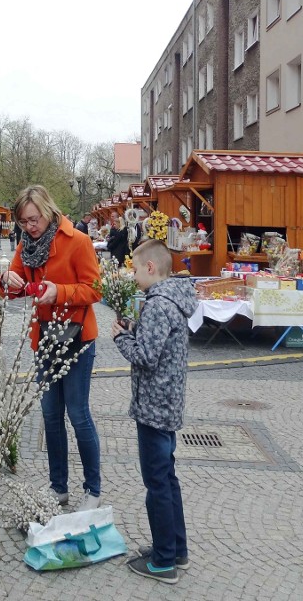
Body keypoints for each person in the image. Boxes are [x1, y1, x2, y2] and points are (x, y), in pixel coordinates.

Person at [0, 185, 102, 511]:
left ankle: (92, 490)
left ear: (48, 210)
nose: (29, 226)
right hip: (44, 338)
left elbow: (95, 289)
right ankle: (59, 487)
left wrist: (60, 292)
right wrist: (5, 280)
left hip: (77, 338)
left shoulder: (78, 241)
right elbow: (11, 286)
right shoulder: (25, 245)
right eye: (23, 222)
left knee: (78, 414)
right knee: (50, 415)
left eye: (34, 219)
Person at [111, 240, 198, 584]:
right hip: (166, 403)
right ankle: (176, 548)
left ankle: (163, 561)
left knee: (157, 483)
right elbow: (157, 344)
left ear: (150, 268)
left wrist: (121, 338)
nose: (132, 276)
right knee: (168, 479)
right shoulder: (171, 299)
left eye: (134, 269)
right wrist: (135, 329)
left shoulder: (159, 304)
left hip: (154, 407)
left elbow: (146, 356)